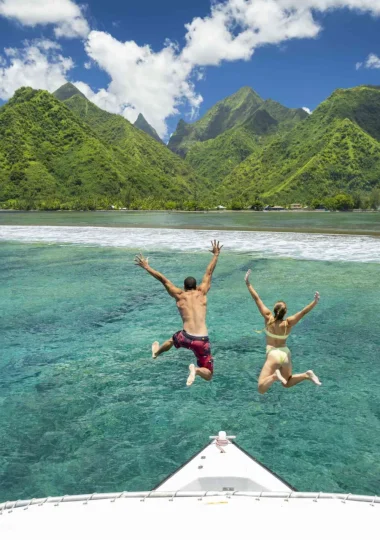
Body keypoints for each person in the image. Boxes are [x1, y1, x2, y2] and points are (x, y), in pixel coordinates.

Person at [134, 240, 223, 386]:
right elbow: (209, 272)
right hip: (201, 340)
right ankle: (197, 371)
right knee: (209, 374)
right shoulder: (202, 293)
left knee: (171, 340)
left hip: (186, 336)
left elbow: (163, 280)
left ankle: (156, 353)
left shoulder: (180, 295)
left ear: (184, 286)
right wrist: (216, 255)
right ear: (196, 286)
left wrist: (146, 266)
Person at [244, 269, 322, 394]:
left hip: (273, 354)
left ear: (275, 310)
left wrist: (248, 283)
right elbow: (303, 312)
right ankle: (306, 375)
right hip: (285, 355)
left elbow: (257, 299)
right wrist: (315, 301)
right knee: (287, 382)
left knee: (261, 388)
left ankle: (275, 376)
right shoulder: (288, 323)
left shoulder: (268, 318)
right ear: (285, 312)